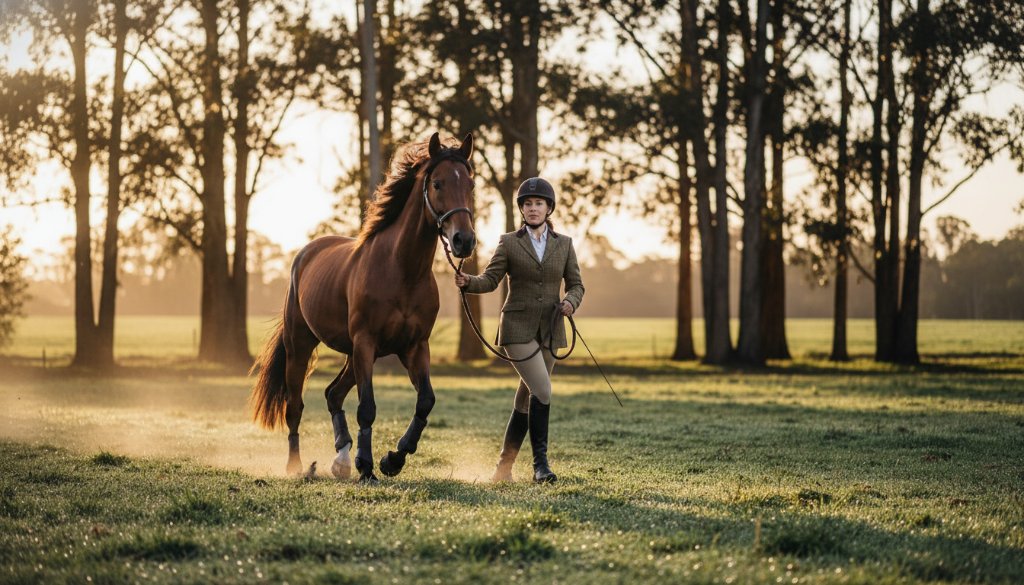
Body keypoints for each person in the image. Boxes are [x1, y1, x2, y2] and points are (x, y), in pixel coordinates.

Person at [455, 177, 584, 483]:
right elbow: (490, 279)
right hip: (517, 328)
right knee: (542, 390)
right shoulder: (509, 243)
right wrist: (468, 282)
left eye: (539, 203)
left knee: (525, 400)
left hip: (551, 329)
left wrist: (570, 301)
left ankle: (503, 469)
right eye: (528, 204)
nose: (533, 208)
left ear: (549, 208)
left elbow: (576, 284)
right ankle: (541, 466)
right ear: (522, 210)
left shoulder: (564, 244)